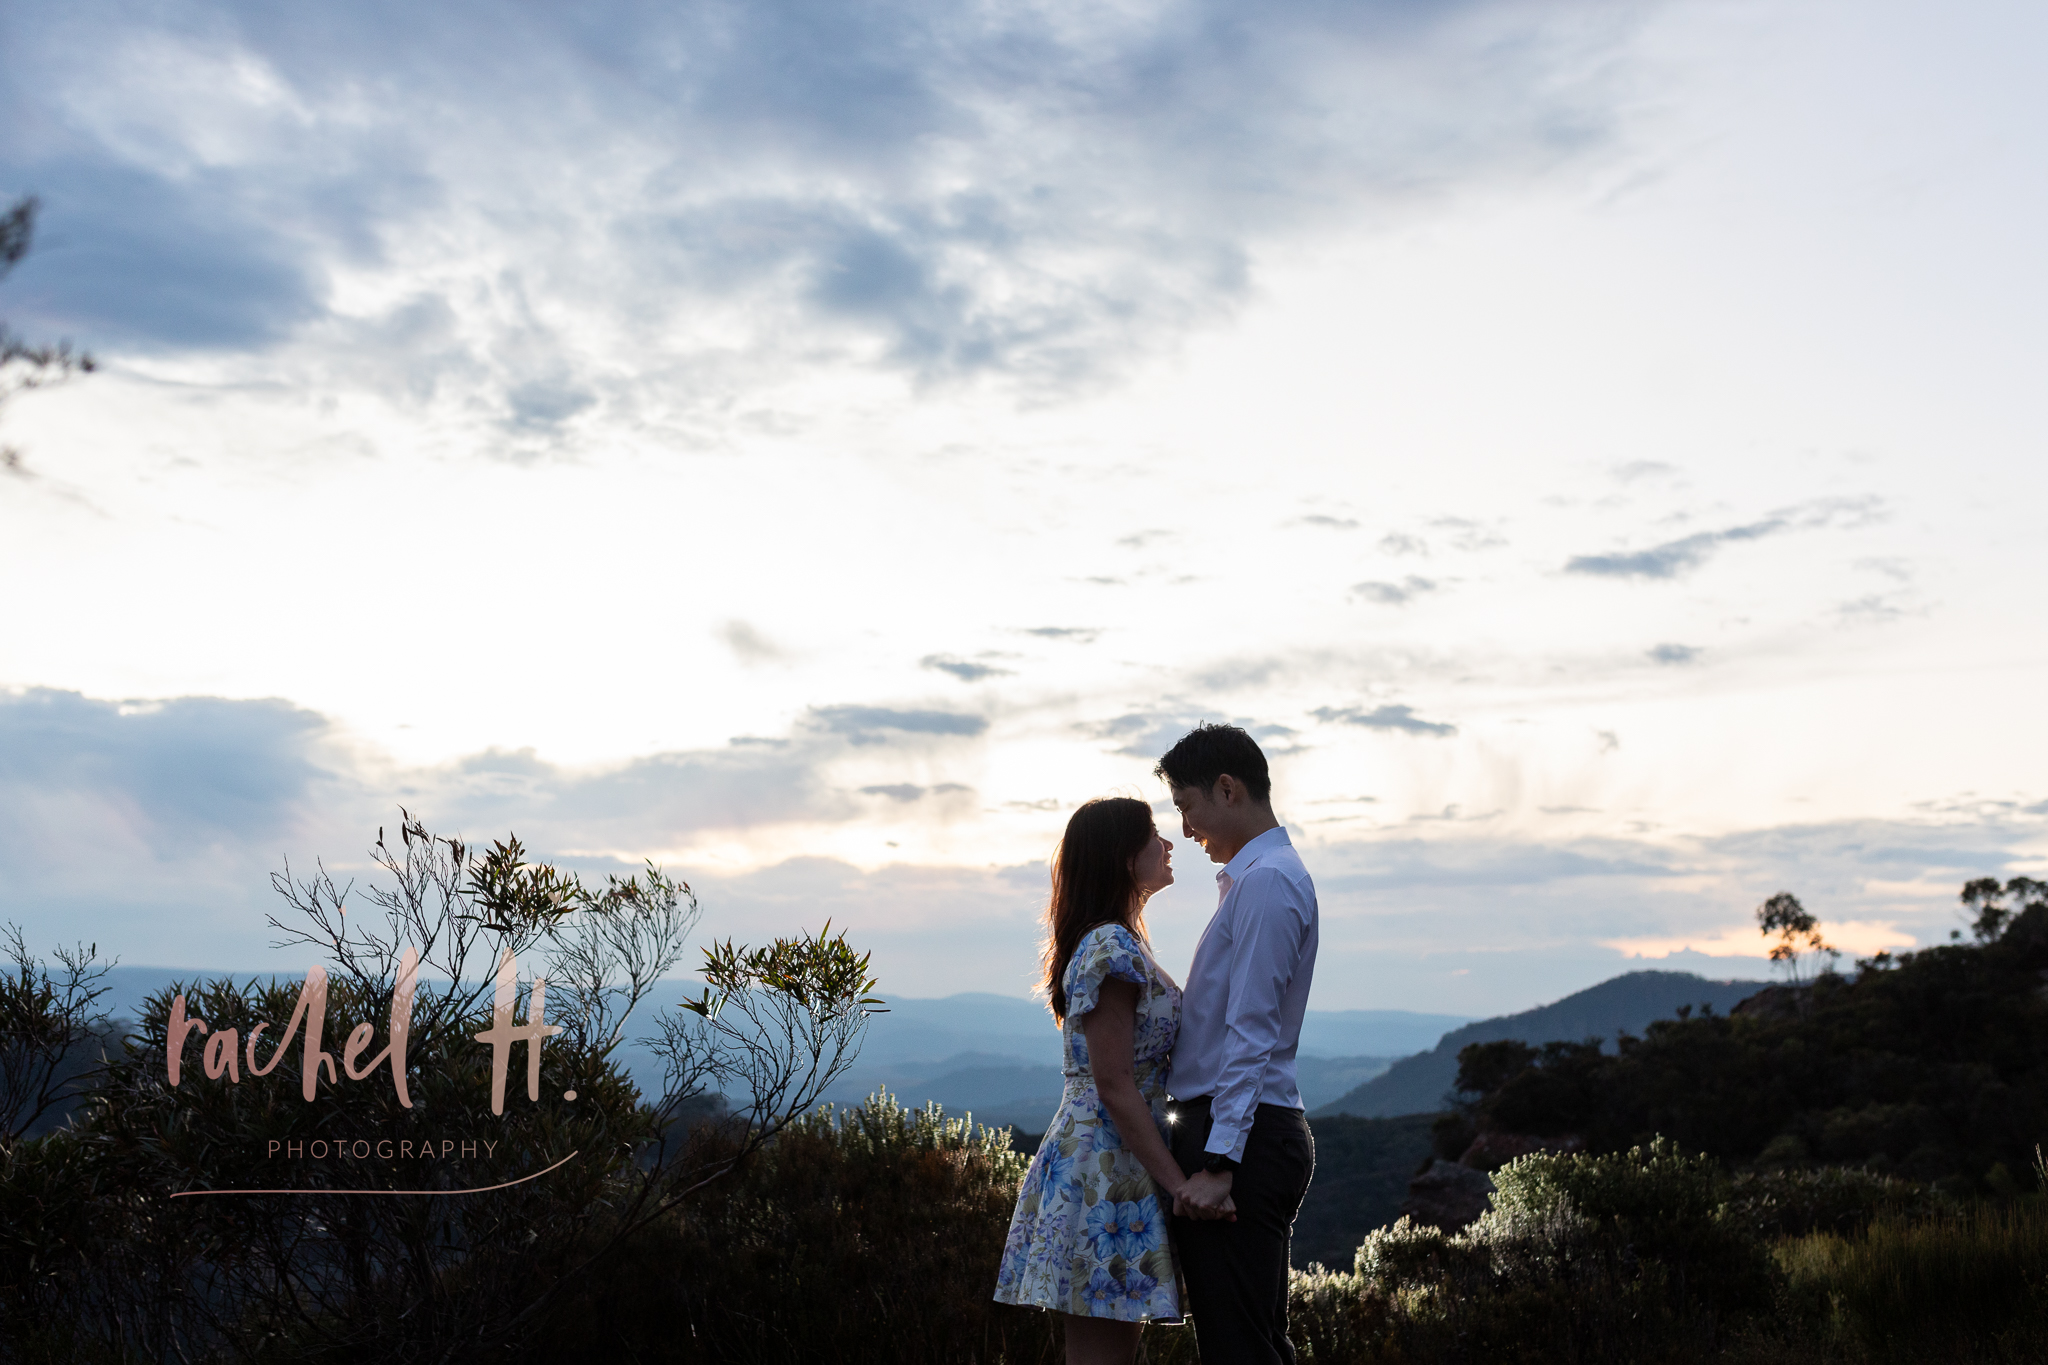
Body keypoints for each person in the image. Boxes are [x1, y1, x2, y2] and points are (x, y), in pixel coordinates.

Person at [994, 796, 1215, 1364]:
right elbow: (1114, 1083)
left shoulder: (1114, 940)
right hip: (1106, 1170)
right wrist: (1177, 1183)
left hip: (1103, 1163)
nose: (1169, 845)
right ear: (1122, 856)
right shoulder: (1111, 947)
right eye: (1154, 836)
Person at [1157, 723, 1320, 1365]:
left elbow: (1251, 1031)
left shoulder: (1267, 882)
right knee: (1247, 1341)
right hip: (1244, 1133)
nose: (1187, 829)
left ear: (1227, 789)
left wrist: (1220, 1165)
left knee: (1239, 1348)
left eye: (1186, 806)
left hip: (1242, 1141)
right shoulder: (1258, 878)